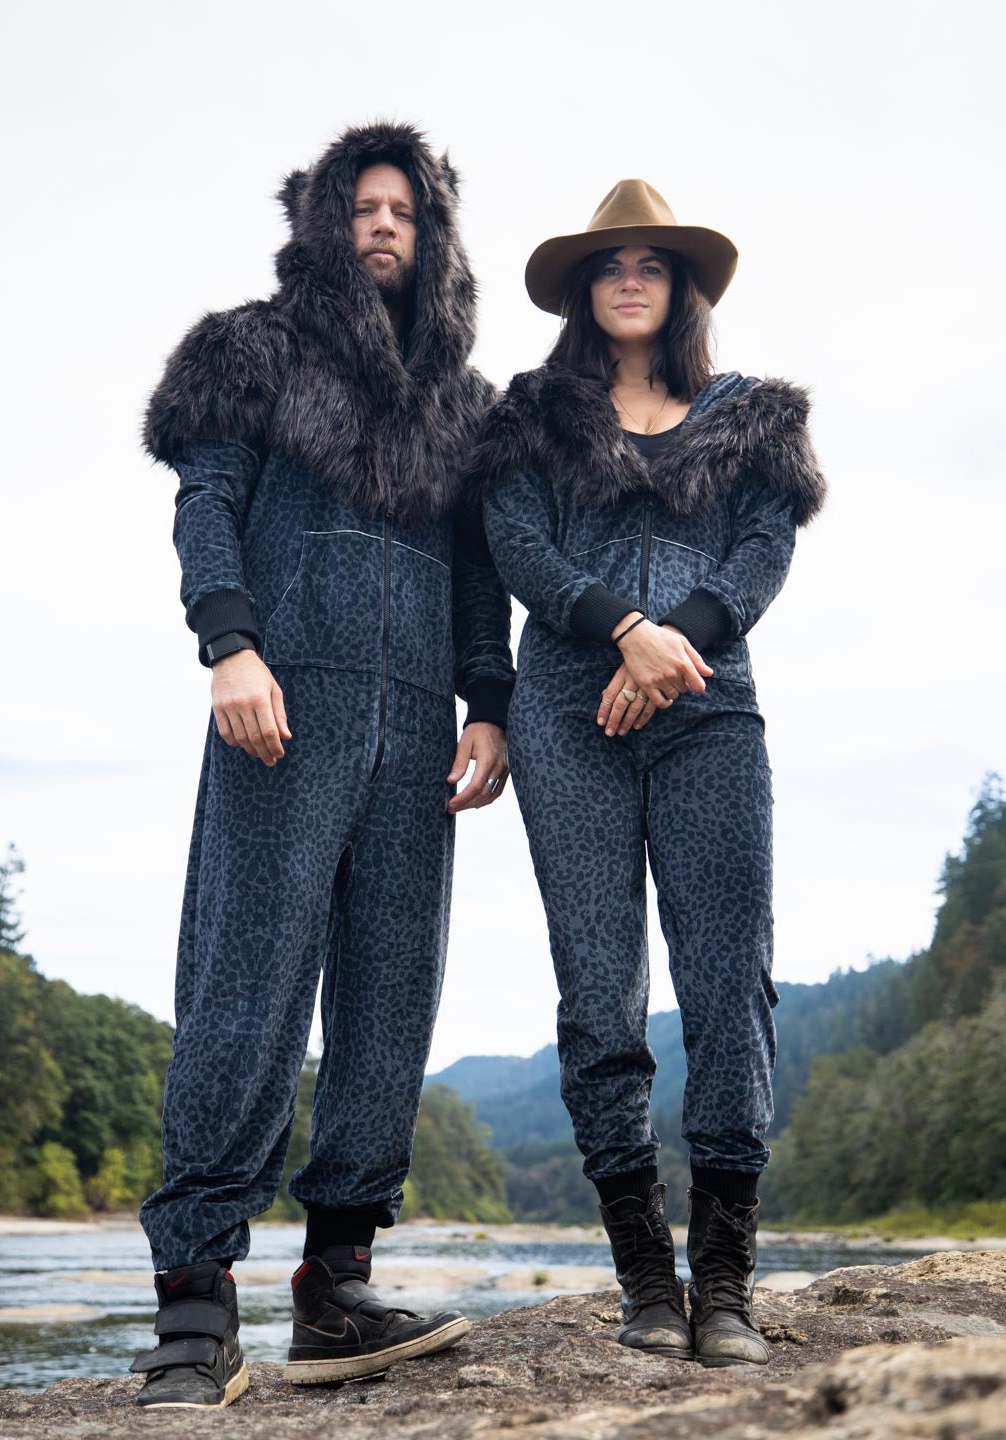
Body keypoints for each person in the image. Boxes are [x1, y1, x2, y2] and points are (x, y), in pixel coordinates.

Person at [130, 122, 514, 1408]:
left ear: (434, 229)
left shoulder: (463, 405)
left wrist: (490, 703)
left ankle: (337, 1291)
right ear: (325, 221)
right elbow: (204, 502)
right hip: (279, 707)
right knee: (247, 978)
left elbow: (475, 577)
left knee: (393, 992)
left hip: (420, 730)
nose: (384, 223)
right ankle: (195, 1303)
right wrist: (229, 645)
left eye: (405, 206)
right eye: (362, 205)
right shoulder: (254, 347)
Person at [474, 180, 825, 1367]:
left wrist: (673, 651)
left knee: (732, 984)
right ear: (583, 288)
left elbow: (760, 556)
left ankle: (724, 1284)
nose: (631, 278)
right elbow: (517, 547)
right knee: (597, 991)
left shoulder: (751, 418)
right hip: (567, 721)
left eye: (654, 264)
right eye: (610, 263)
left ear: (681, 289)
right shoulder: (530, 416)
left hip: (712, 714)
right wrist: (624, 628)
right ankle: (645, 1280)